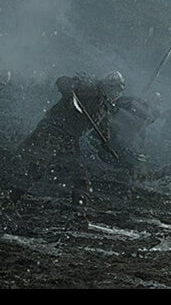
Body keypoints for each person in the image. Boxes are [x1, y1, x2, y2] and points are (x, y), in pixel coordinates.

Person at [14, 71, 127, 206]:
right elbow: (62, 80)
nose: (117, 93)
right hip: (53, 131)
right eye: (116, 89)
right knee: (37, 169)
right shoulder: (89, 88)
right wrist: (68, 86)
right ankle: (10, 200)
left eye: (119, 90)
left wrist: (106, 144)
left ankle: (79, 212)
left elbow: (103, 128)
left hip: (69, 139)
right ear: (108, 86)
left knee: (80, 177)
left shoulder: (105, 106)